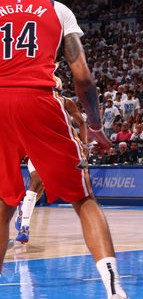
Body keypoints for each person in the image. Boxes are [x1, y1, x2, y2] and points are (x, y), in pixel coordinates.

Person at [0, 0, 128, 298]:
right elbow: (83, 77)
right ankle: (115, 291)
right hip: (37, 99)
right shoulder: (56, 9)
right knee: (84, 199)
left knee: (2, 204)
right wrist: (96, 124)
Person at [14, 76, 86, 244]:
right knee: (37, 180)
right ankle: (25, 226)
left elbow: (81, 122)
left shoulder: (66, 103)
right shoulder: (31, 104)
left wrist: (84, 144)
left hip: (58, 151)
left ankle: (23, 209)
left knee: (41, 187)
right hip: (35, 148)